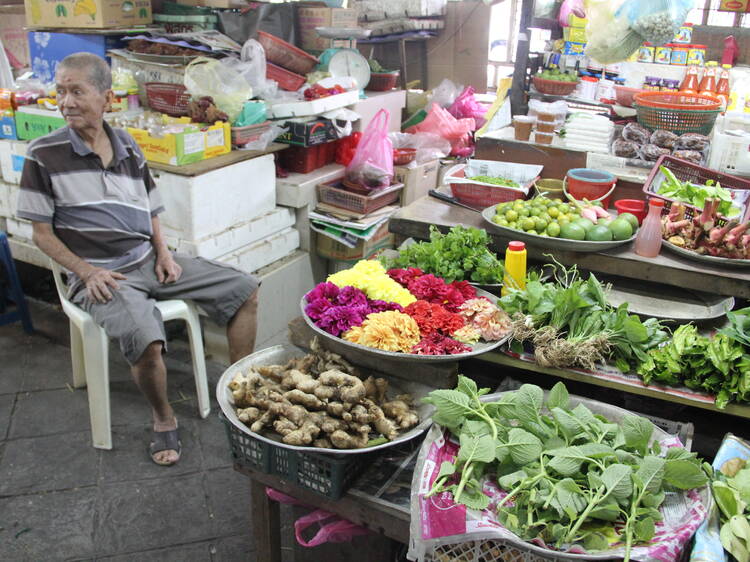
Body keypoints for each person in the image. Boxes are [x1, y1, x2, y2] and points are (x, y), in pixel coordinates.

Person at [16, 52, 260, 466]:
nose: (66, 102)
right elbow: (41, 234)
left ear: (106, 97)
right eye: (61, 92)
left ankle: (240, 392)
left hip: (149, 259)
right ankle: (163, 418)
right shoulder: (43, 154)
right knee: (148, 343)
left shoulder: (127, 143)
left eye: (77, 91)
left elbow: (151, 209)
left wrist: (163, 252)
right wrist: (85, 270)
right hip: (102, 273)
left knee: (245, 289)